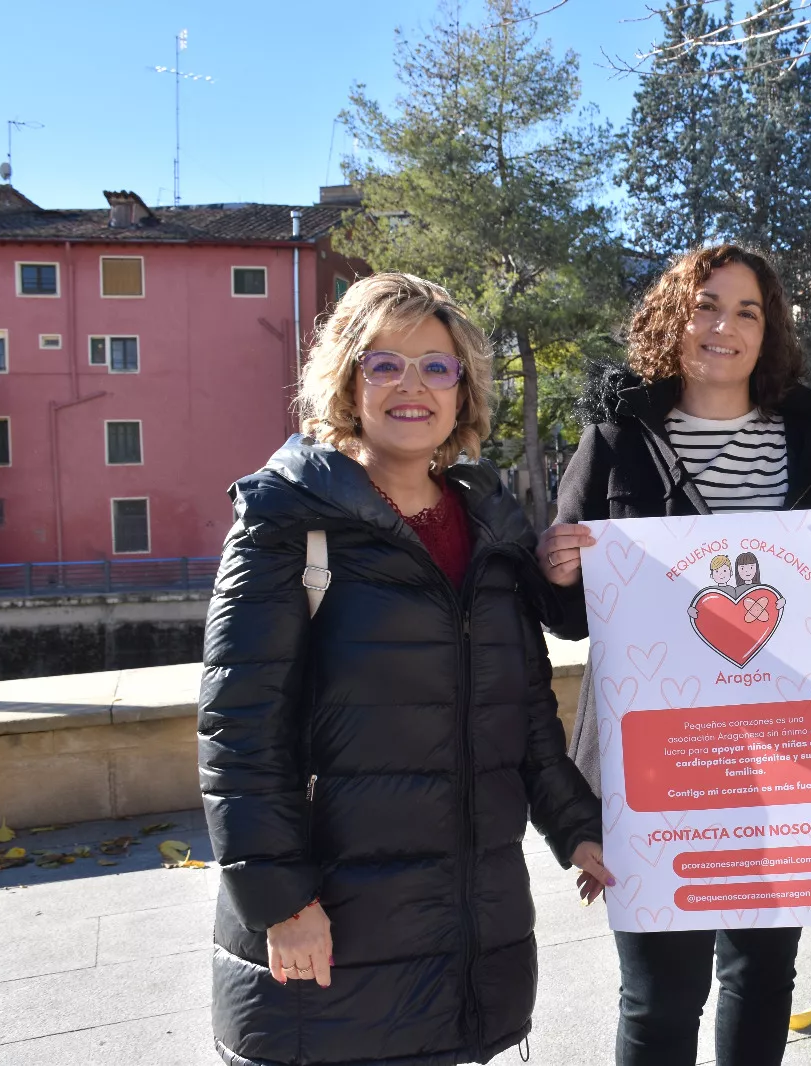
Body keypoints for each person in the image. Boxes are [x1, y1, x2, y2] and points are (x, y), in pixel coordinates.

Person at [200, 272, 610, 1066]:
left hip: (468, 931)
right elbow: (238, 731)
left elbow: (522, 709)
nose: (411, 386)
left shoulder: (489, 523)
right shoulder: (285, 521)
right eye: (384, 364)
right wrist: (282, 902)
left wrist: (576, 827)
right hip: (333, 936)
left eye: (436, 366)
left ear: (463, 391)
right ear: (349, 382)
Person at [535, 244, 811, 1066]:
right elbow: (569, 616)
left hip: (786, 757)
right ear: (674, 317)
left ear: (768, 332)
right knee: (657, 994)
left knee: (763, 974)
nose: (724, 326)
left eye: (748, 311)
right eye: (706, 304)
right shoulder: (615, 436)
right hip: (656, 766)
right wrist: (558, 570)